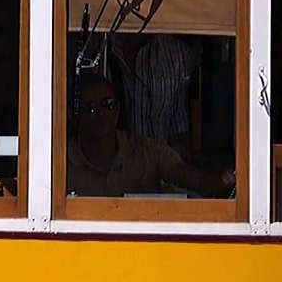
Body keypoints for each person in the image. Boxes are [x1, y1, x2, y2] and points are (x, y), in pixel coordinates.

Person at [66, 74, 234, 198]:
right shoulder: (61, 164)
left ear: (118, 109)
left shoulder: (148, 151)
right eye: (90, 108)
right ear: (74, 115)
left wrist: (230, 177)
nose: (101, 113)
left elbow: (197, 182)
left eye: (107, 104)